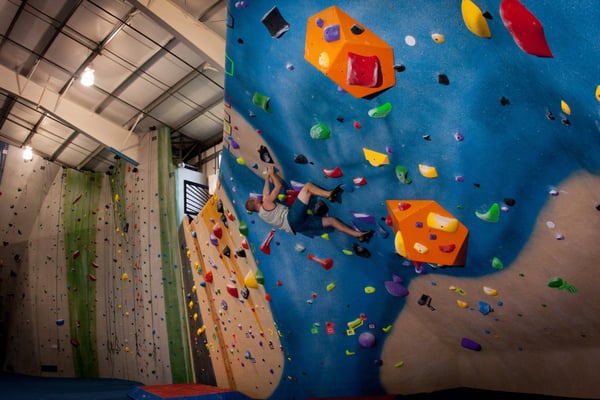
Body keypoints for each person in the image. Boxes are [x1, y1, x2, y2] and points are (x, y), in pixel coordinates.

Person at [245, 168, 374, 241]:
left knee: (332, 221)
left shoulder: (262, 214)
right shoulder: (266, 202)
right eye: (256, 199)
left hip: (297, 227)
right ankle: (328, 194)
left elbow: (265, 193)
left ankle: (359, 235)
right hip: (292, 218)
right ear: (255, 202)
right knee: (307, 187)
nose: (259, 198)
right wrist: (272, 174)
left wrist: (267, 178)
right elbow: (278, 186)